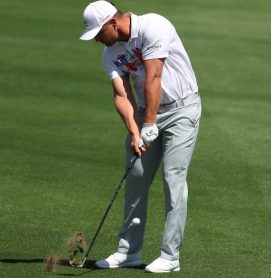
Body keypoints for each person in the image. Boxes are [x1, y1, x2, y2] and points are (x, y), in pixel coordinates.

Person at [79, 1, 201, 273]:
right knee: (135, 178)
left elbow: (153, 77)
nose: (98, 39)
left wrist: (149, 124)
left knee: (173, 178)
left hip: (181, 110)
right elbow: (122, 96)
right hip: (146, 114)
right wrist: (136, 133)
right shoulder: (109, 54)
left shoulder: (153, 26)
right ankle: (128, 252)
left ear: (113, 22)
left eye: (99, 32)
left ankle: (170, 257)